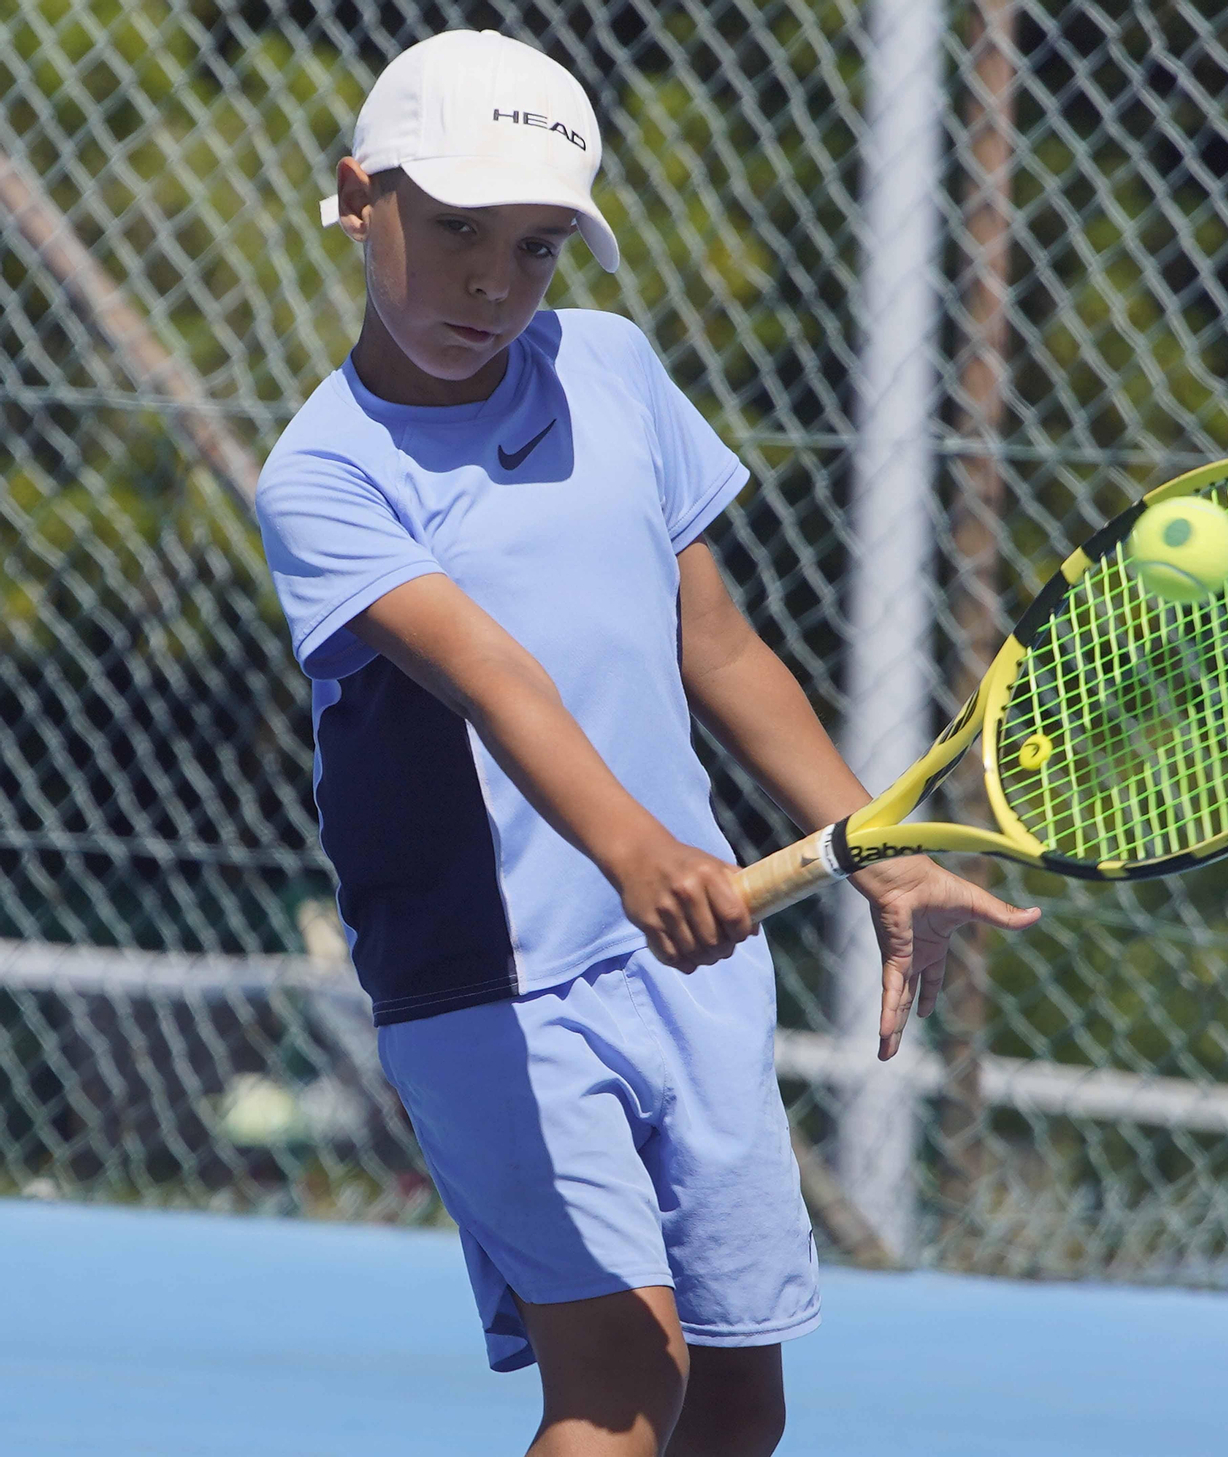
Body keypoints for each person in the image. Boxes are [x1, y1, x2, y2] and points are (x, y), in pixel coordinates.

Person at [257, 28, 1038, 1457]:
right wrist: (637, 854)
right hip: (489, 984)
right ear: (358, 197)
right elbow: (496, 678)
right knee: (622, 1376)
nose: (494, 284)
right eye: (454, 232)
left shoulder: (610, 367)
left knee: (739, 1389)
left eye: (538, 246)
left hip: (691, 955)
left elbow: (718, 644)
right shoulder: (324, 474)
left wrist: (884, 846)